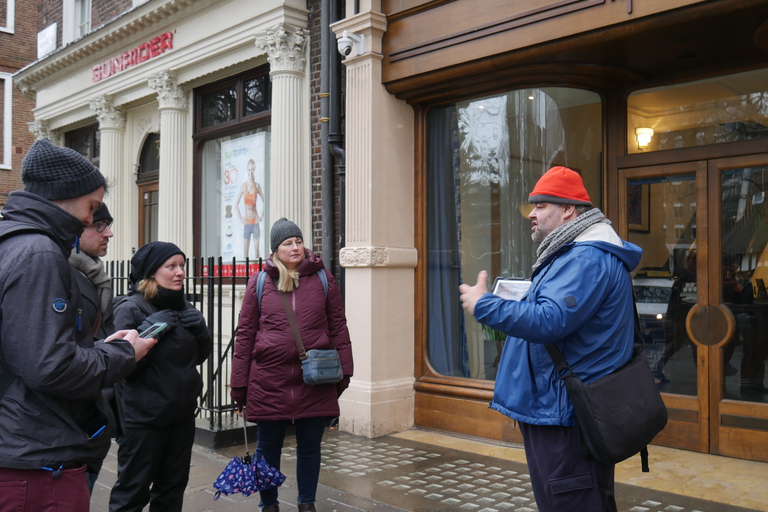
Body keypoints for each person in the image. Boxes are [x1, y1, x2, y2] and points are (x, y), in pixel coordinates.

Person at [458, 166, 642, 512]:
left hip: (565, 416)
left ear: (568, 209)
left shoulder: (586, 257)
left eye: (541, 205)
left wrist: (485, 305)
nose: (532, 213)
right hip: (561, 410)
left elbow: (549, 320)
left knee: (571, 501)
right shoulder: (574, 253)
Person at [0, 138, 155, 512]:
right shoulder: (39, 254)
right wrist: (122, 353)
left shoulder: (14, 244)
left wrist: (100, 347)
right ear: (66, 196)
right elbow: (50, 365)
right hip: (38, 461)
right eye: (92, 206)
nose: (92, 218)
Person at [231, 218, 353, 512]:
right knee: (267, 449)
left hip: (315, 378)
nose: (295, 247)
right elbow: (245, 333)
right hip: (269, 379)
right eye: (288, 243)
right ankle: (269, 504)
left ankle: (306, 503)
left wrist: (345, 371)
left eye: (298, 241)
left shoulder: (323, 278)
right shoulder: (259, 282)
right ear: (276, 250)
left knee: (310, 447)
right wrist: (239, 383)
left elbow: (338, 325)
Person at [108, 241, 213, 512]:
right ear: (152, 272)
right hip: (144, 419)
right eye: (171, 266)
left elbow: (196, 357)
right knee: (132, 492)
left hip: (181, 415)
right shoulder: (130, 308)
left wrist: (201, 330)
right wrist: (149, 333)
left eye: (182, 266)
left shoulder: (183, 306)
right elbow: (121, 367)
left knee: (172, 488)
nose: (180, 272)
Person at [68, 202, 121, 492]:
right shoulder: (62, 273)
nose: (109, 233)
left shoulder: (94, 276)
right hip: (65, 428)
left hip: (89, 422)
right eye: (99, 224)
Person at [235, 158, 266, 260]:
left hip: (255, 223)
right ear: (247, 170)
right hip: (247, 224)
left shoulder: (257, 186)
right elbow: (236, 204)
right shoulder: (243, 186)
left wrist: (261, 216)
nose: (251, 171)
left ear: (255, 169)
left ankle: (258, 275)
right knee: (245, 255)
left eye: (252, 169)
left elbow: (266, 201)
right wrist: (240, 219)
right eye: (249, 169)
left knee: (257, 253)